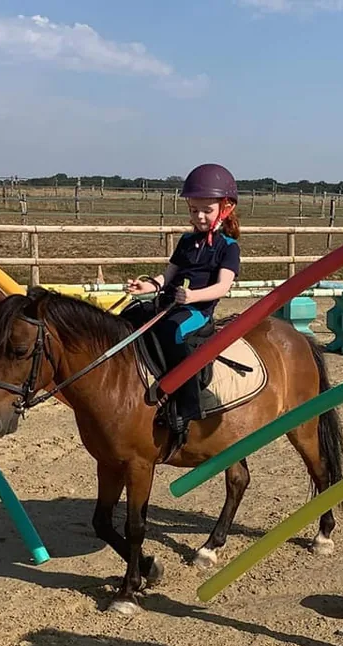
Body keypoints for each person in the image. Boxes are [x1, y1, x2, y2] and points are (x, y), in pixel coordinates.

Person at [122, 163, 241, 449]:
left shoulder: (228, 247)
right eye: (193, 210)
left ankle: (188, 404)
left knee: (173, 331)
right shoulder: (186, 241)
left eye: (206, 210)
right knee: (128, 316)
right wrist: (148, 287)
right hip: (170, 301)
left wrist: (192, 297)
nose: (199, 216)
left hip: (197, 311)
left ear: (225, 208)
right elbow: (168, 276)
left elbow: (223, 287)